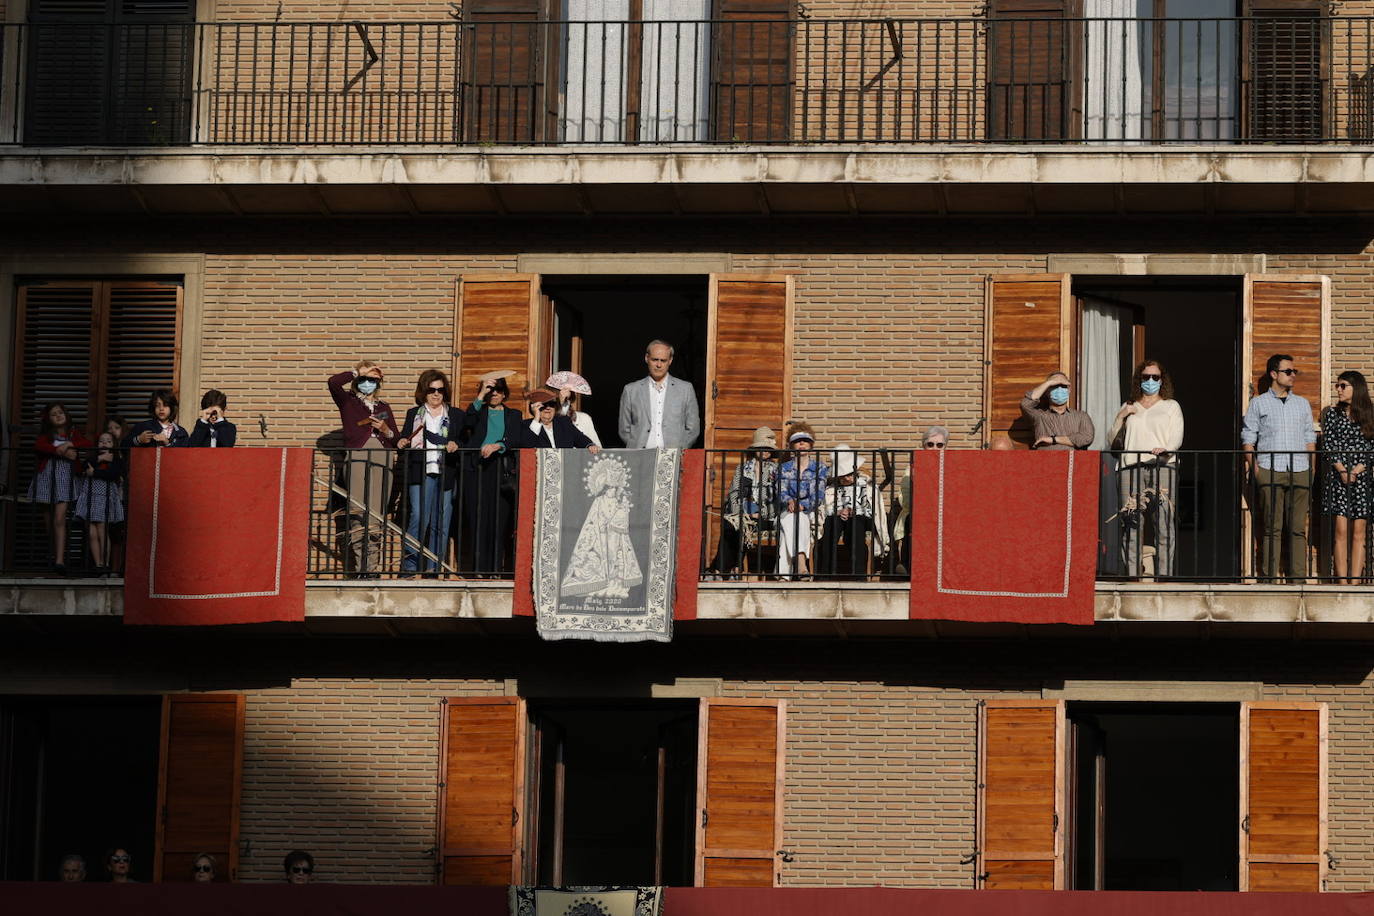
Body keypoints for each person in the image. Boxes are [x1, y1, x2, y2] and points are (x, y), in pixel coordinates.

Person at [1242, 354, 1316, 582]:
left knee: (1297, 529)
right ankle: (1269, 580)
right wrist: (1255, 468)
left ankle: (1298, 580)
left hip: (1300, 469)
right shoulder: (1258, 403)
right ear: (1274, 374)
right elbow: (1248, 436)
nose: (1293, 375)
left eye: (1294, 371)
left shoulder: (1302, 404)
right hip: (1269, 468)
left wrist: (1311, 467)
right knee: (1271, 528)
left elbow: (1308, 436)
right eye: (1288, 371)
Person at [1109, 360, 1185, 578]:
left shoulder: (1171, 406)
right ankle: (1132, 575)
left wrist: (1166, 449)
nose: (1150, 381)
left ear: (1162, 380)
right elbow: (1112, 440)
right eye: (1145, 377)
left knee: (1163, 522)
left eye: (1155, 377)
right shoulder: (1129, 405)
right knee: (1131, 524)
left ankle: (1165, 576)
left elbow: (1176, 436)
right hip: (1129, 468)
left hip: (1162, 466)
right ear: (1139, 380)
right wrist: (1121, 416)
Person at [328, 362, 399, 578]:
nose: (369, 383)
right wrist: (357, 372)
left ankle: (372, 569)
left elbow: (394, 438)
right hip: (358, 456)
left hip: (383, 457)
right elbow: (333, 382)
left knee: (376, 515)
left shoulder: (384, 406)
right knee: (358, 511)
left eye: (373, 380)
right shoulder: (348, 401)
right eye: (365, 379)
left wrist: (386, 430)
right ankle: (361, 569)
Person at [395, 370, 463, 577]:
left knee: (440, 522)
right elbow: (405, 437)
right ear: (423, 391)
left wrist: (455, 443)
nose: (436, 394)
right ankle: (409, 568)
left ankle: (433, 569)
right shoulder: (413, 414)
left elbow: (464, 439)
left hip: (445, 472)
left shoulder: (456, 414)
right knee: (418, 517)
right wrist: (401, 441)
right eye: (431, 389)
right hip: (420, 471)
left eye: (440, 390)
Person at [460, 373, 524, 576]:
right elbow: (466, 424)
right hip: (477, 469)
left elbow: (515, 437)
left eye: (498, 391)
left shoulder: (514, 415)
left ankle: (496, 569)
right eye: (491, 390)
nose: (494, 394)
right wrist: (480, 394)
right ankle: (479, 569)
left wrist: (499, 445)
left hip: (501, 469)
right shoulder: (478, 411)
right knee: (478, 518)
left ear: (505, 394)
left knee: (499, 520)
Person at [1321, 370, 1374, 583]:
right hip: (1338, 476)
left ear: (1356, 388)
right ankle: (1341, 582)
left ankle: (1356, 582)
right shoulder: (1332, 414)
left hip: (1362, 478)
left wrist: (1357, 470)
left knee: (1358, 533)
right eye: (1337, 385)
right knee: (1340, 531)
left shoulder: (1370, 414)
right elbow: (1328, 444)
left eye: (1343, 386)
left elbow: (1372, 447)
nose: (1339, 390)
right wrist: (1342, 470)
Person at [709, 426, 780, 579]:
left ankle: (728, 569)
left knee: (744, 525)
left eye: (768, 449)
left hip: (765, 516)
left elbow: (778, 499)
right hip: (743, 512)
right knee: (731, 524)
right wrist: (739, 513)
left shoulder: (776, 470)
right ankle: (725, 570)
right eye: (762, 447)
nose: (766, 451)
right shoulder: (742, 468)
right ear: (755, 449)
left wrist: (760, 513)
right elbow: (733, 493)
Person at [29, 403, 90, 575]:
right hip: (47, 478)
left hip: (65, 478)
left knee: (59, 518)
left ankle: (60, 561)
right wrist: (60, 450)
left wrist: (70, 443)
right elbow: (39, 446)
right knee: (48, 520)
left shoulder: (72, 433)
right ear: (48, 419)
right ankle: (55, 552)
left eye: (60, 412)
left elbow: (87, 443)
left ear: (66, 415)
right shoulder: (46, 436)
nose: (58, 416)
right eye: (53, 414)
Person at [815, 444, 888, 578]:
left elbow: (874, 509)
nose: (846, 478)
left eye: (849, 475)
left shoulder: (867, 485)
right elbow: (824, 509)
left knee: (856, 524)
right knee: (832, 523)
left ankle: (858, 575)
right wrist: (837, 512)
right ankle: (825, 574)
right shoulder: (831, 488)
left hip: (863, 519)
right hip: (838, 519)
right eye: (842, 476)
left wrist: (855, 511)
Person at [618, 339, 701, 448]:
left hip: (673, 457)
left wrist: (680, 449)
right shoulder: (631, 390)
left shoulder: (685, 389)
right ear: (646, 358)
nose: (658, 364)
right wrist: (636, 447)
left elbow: (693, 428)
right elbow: (624, 429)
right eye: (655, 359)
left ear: (670, 361)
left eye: (663, 360)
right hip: (640, 457)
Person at [776, 422, 828, 579]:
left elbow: (818, 494)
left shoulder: (819, 467)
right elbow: (780, 490)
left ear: (811, 445)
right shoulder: (783, 468)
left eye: (805, 441)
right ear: (792, 445)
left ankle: (783, 575)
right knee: (793, 519)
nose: (802, 444)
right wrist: (789, 502)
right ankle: (801, 564)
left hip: (810, 511)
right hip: (788, 510)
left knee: (796, 521)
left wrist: (802, 505)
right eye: (798, 442)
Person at [75, 431, 127, 577]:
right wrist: (100, 458)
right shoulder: (94, 458)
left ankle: (105, 563)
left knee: (102, 530)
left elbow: (113, 474)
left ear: (114, 445)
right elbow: (84, 466)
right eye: (101, 441)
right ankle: (98, 564)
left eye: (108, 441)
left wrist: (94, 473)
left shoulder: (116, 460)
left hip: (104, 497)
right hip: (90, 497)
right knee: (91, 532)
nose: (104, 443)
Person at [1021, 372, 1094, 450]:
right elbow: (1025, 404)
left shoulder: (1081, 416)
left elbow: (1087, 438)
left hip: (1073, 461)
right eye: (1054, 386)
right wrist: (1048, 383)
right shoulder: (1039, 416)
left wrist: (1053, 440)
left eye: (1063, 386)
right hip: (1047, 461)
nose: (1059, 389)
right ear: (1047, 391)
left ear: (1069, 390)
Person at [519, 390, 600, 451]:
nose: (548, 408)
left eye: (551, 404)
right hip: (540, 470)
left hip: (565, 468)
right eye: (543, 405)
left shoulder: (564, 423)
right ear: (534, 408)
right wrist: (536, 418)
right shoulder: (526, 425)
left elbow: (580, 438)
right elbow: (527, 445)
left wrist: (590, 446)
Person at [547, 371, 602, 447]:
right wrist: (560, 403)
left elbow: (597, 447)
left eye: (567, 399)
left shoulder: (584, 418)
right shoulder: (547, 420)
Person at [124, 389, 189, 448]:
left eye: (165, 405)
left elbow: (185, 456)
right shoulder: (143, 427)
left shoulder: (181, 433)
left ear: (172, 407)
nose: (161, 409)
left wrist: (167, 443)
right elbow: (123, 447)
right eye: (157, 405)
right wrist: (138, 439)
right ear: (153, 407)